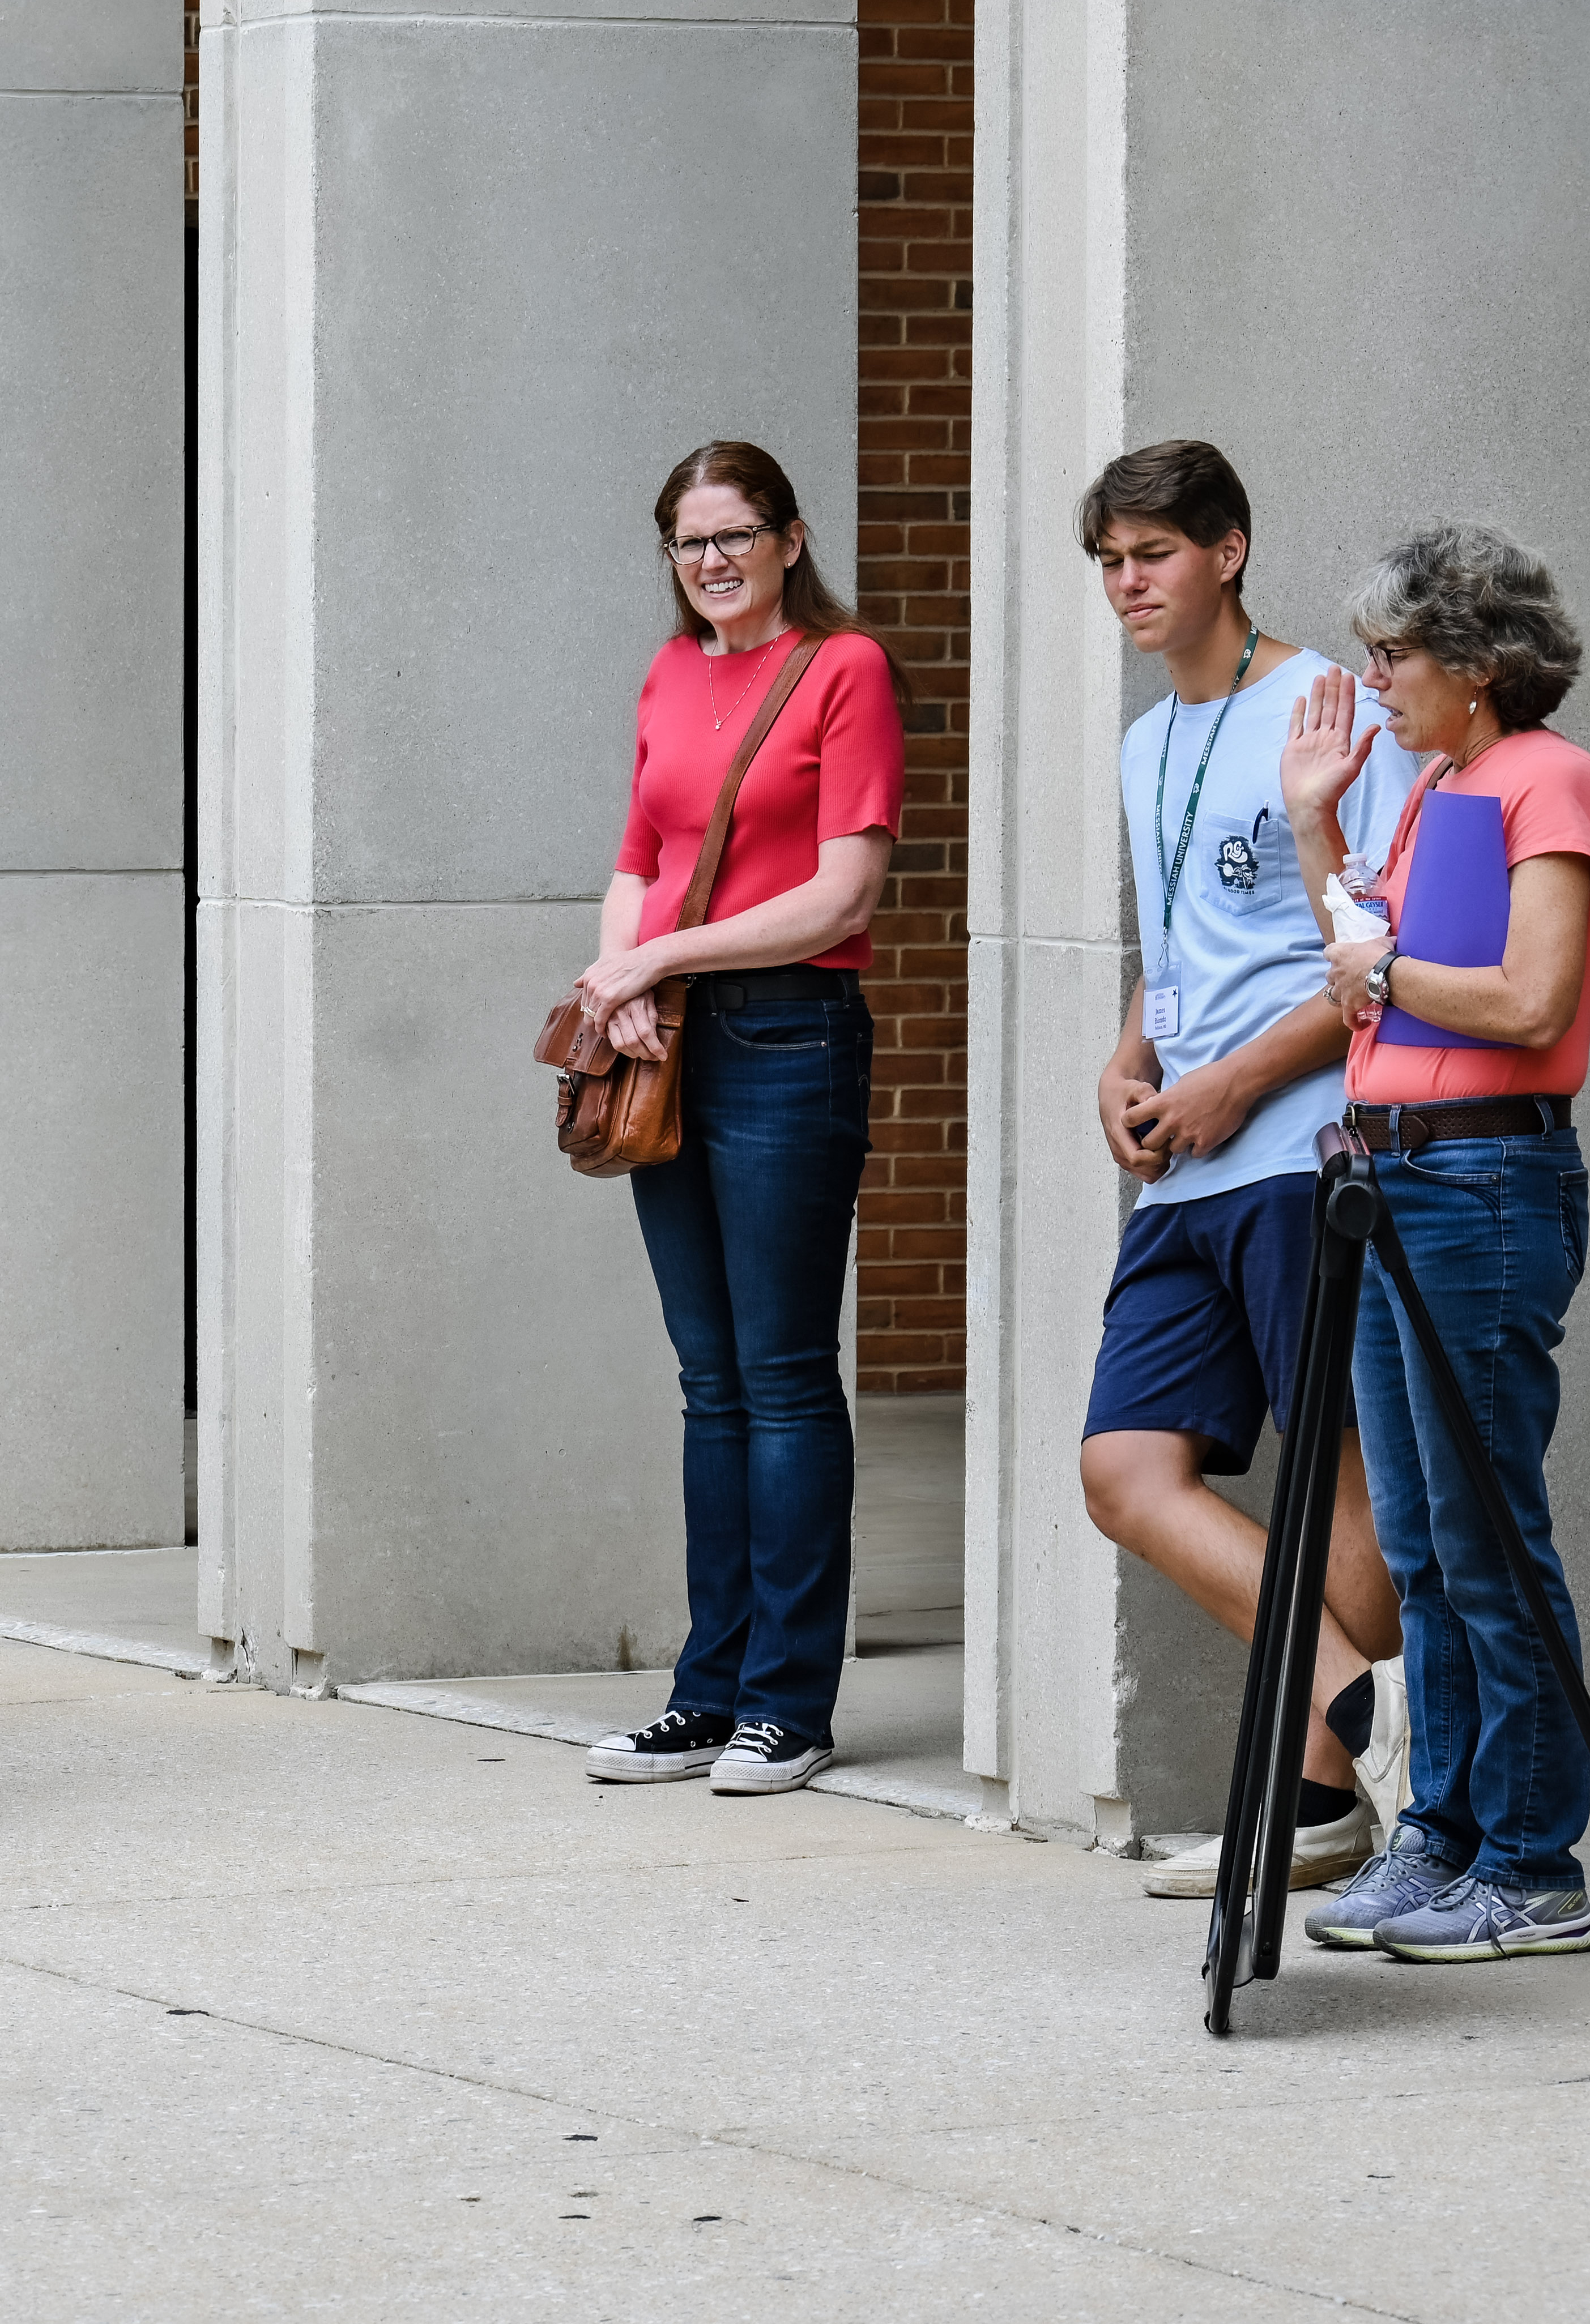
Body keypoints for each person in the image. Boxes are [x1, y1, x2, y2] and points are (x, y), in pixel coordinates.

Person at [1068, 442, 1417, 1897]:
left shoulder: (1328, 705)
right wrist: (1131, 1054)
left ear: (1229, 548)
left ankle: (1319, 1806)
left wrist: (1236, 1080)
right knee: (1123, 1470)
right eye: (1108, 563)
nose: (1128, 585)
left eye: (1151, 554)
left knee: (1345, 1521)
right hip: (1187, 1167)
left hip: (1297, 1148)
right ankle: (1359, 1707)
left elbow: (1375, 951)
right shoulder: (1149, 740)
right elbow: (1178, 948)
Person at [1280, 524, 1590, 1965]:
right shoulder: (1441, 786)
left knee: (1487, 1532)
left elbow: (1532, 1001)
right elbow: (1370, 976)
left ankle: (1535, 1861)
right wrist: (1315, 828)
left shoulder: (1553, 781)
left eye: (1396, 654)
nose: (1375, 679)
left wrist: (1391, 967)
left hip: (1486, 1180)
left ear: (1480, 666)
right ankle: (1450, 1831)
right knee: (1421, 1541)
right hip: (1399, 1176)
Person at [566, 440, 904, 1800]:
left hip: (786, 1034)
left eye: (736, 535)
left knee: (781, 1373)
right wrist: (619, 980)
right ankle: (707, 1696)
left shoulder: (845, 669)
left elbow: (843, 895)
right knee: (709, 1383)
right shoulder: (666, 673)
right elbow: (637, 861)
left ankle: (790, 1700)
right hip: (672, 1037)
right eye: (688, 542)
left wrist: (659, 963)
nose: (712, 562)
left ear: (790, 537)